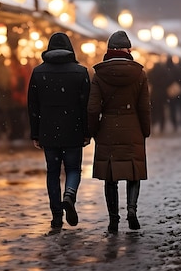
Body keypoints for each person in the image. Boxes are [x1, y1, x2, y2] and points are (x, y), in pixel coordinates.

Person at [87, 30, 151, 233]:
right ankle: (132, 210)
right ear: (128, 50)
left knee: (110, 176)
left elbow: (92, 108)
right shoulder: (139, 74)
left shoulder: (99, 75)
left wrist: (94, 131)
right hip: (133, 128)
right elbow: (144, 107)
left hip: (108, 129)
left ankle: (113, 219)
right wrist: (145, 130)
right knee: (134, 171)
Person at [27, 33, 91, 229]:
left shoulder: (38, 72)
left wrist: (35, 133)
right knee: (73, 169)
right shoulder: (81, 72)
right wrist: (87, 132)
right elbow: (86, 105)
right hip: (73, 129)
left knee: (53, 172)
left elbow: (33, 106)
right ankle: (69, 194)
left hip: (48, 129)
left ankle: (56, 215)